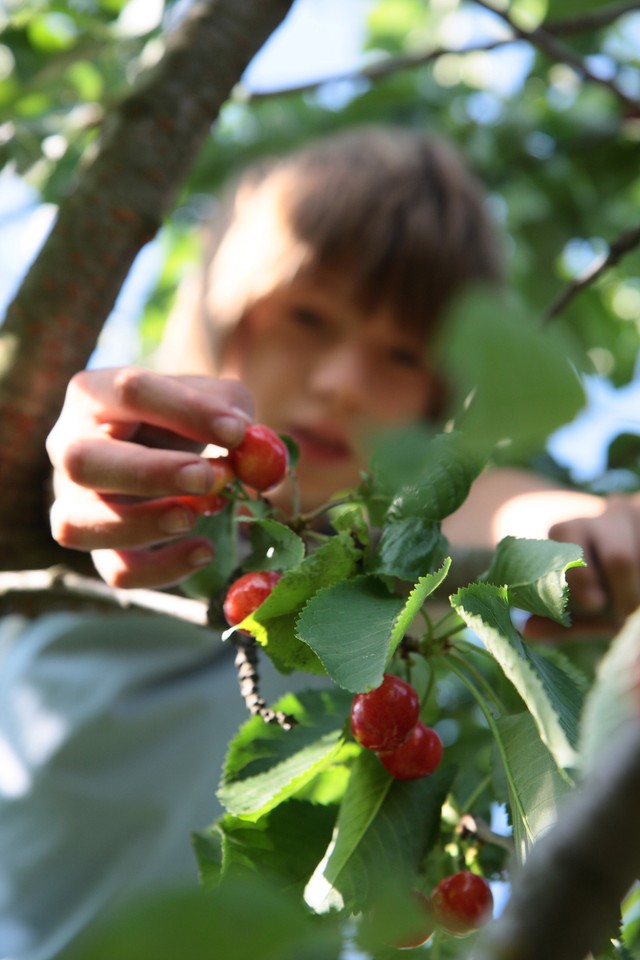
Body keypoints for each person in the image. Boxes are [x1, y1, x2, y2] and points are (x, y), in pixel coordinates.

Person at [1, 124, 639, 960]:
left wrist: (575, 526)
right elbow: (79, 458)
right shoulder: (135, 477)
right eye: (307, 316)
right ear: (228, 315)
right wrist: (90, 459)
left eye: (402, 354)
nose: (341, 384)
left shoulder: (381, 573)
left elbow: (490, 508)